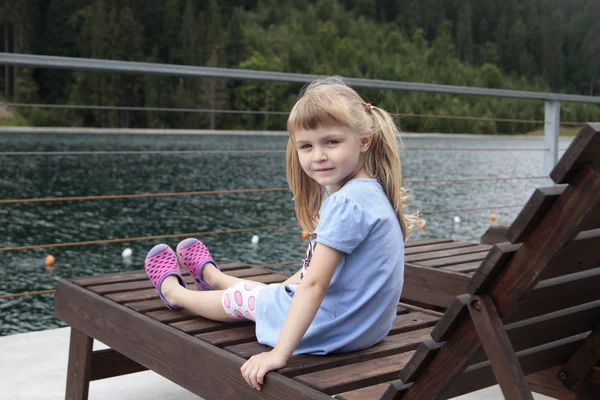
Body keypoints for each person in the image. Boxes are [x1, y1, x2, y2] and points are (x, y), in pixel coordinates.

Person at [143, 77, 424, 391]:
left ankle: (176, 294)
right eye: (307, 145)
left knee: (247, 300)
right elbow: (319, 275)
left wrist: (279, 353)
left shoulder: (346, 203)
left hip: (330, 329)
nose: (318, 155)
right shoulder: (373, 192)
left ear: (363, 140)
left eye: (331, 142)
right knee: (275, 291)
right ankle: (213, 277)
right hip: (363, 327)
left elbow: (315, 284)